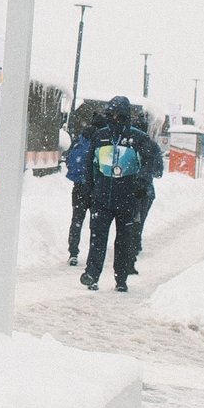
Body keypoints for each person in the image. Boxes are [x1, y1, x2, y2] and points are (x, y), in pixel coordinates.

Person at [79, 96, 163, 293]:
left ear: (126, 116)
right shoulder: (100, 136)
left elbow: (149, 162)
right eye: (112, 114)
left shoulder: (138, 138)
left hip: (128, 199)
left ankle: (121, 278)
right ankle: (92, 273)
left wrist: (141, 183)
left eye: (119, 115)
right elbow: (91, 164)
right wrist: (88, 188)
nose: (115, 118)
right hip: (102, 197)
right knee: (97, 238)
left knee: (124, 241)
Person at [65, 126, 94, 266]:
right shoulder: (100, 142)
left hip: (78, 188)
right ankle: (94, 254)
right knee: (95, 224)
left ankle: (73, 252)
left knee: (77, 220)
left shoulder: (78, 142)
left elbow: (69, 163)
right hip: (95, 189)